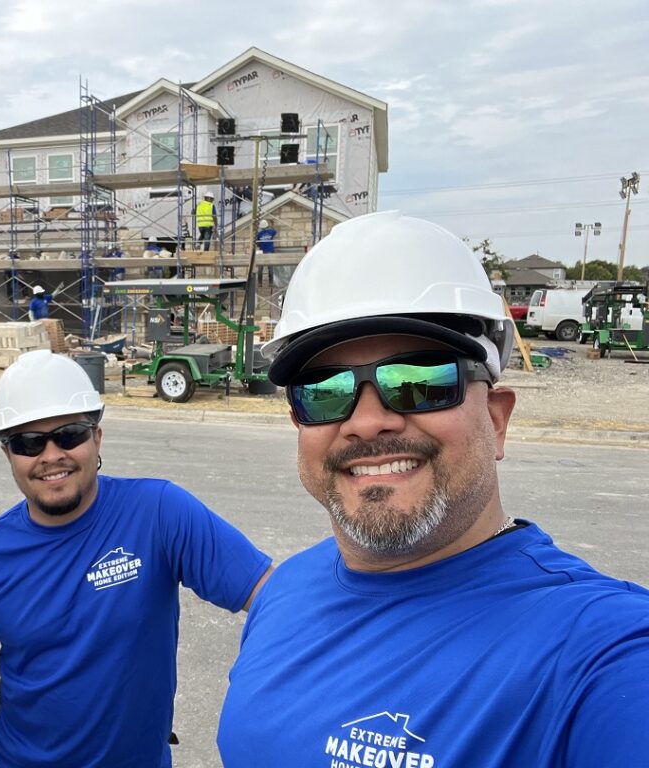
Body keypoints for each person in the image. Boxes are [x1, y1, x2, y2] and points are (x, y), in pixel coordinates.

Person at [217, 212, 649, 766]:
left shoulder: (598, 653)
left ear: (496, 420)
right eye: (324, 391)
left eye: (422, 382)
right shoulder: (284, 592)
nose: (367, 422)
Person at [0, 350, 273, 768]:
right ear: (8, 454)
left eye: (70, 434)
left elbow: (269, 595)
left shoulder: (158, 512)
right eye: (28, 442)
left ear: (97, 436)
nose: (51, 455)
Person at [255, 218, 277, 287]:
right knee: (270, 268)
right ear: (267, 226)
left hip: (262, 252)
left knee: (260, 269)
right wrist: (272, 223)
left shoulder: (259, 234)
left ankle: (259, 283)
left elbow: (257, 243)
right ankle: (270, 283)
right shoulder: (271, 231)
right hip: (270, 252)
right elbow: (275, 231)